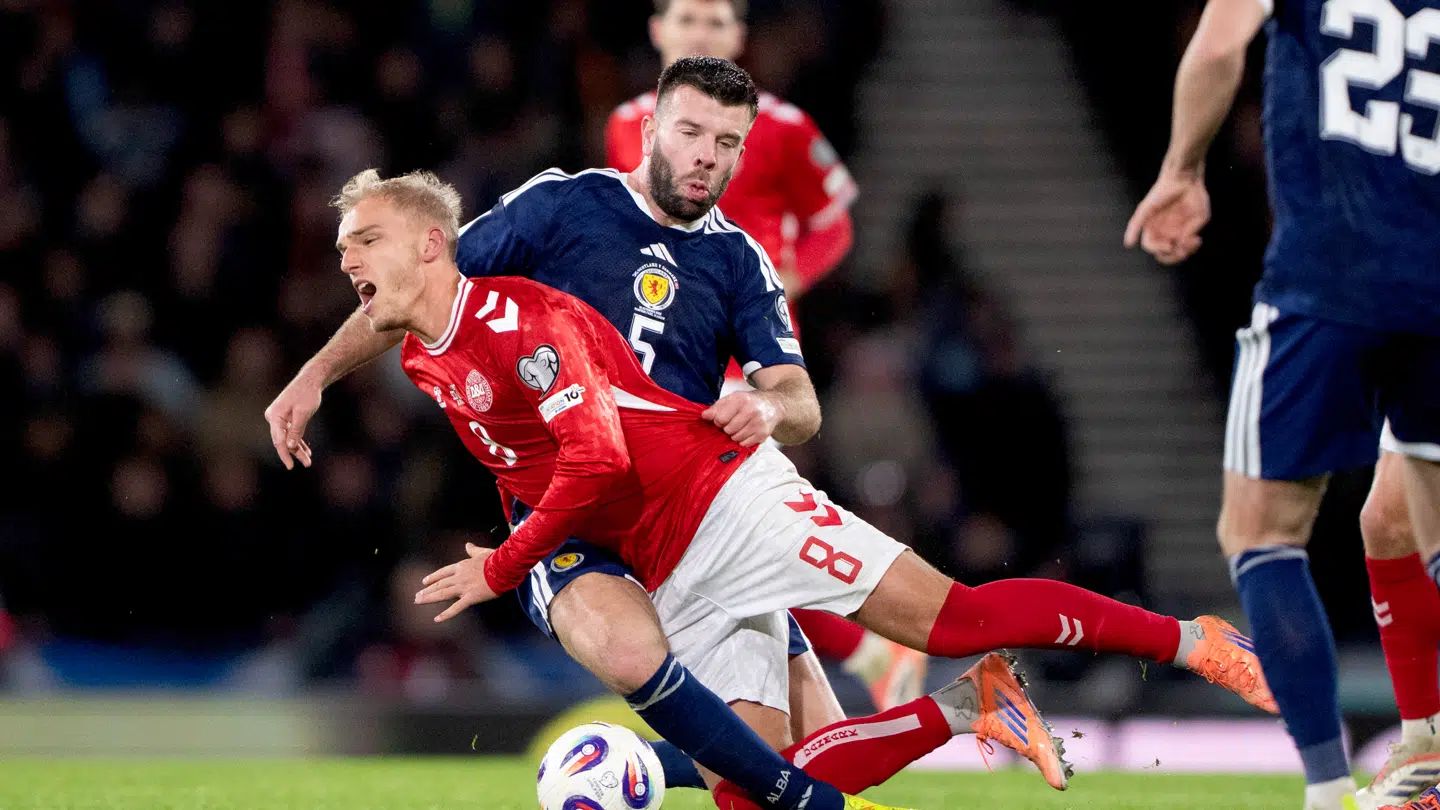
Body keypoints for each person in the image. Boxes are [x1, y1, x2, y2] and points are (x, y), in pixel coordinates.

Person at [264, 56, 927, 808]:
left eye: (726, 141)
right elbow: (416, 282)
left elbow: (800, 399)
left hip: (689, 509)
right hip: (572, 502)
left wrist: (773, 409)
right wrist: (316, 374)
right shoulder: (562, 207)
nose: (706, 153)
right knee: (639, 661)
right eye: (690, 131)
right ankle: (658, 767)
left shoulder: (739, 260)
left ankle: (633, 766)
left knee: (804, 754)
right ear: (650, 131)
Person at [1123, 0, 1440, 807]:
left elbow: (1219, 44)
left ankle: (1329, 793)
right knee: (1402, 527)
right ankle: (1427, 754)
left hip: (1325, 280)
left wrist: (1182, 169)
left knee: (1261, 535)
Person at [605, 0, 920, 716]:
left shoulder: (780, 125)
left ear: (739, 38)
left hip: (750, 357)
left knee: (732, 529)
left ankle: (850, 651)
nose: (701, 33)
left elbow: (833, 221)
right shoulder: (627, 122)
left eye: (717, 23)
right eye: (688, 18)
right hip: (665, 345)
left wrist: (789, 280)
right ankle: (845, 664)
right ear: (657, 30)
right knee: (715, 536)